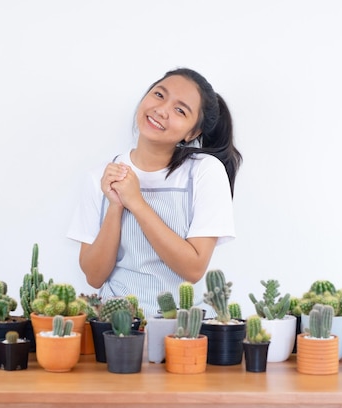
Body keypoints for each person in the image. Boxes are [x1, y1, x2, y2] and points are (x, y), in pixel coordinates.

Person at [67, 67, 242, 317]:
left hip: (183, 329)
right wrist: (116, 205)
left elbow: (193, 269)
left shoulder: (204, 172)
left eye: (180, 110)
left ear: (192, 132)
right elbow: (94, 277)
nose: (161, 110)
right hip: (115, 327)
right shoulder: (101, 177)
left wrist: (136, 203)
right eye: (159, 95)